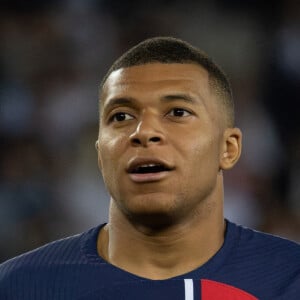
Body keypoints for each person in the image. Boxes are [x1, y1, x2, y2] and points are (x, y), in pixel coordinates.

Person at [0, 37, 299, 299]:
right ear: (100, 154)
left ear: (228, 148)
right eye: (121, 116)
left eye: (177, 112)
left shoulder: (291, 279)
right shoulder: (19, 287)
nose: (144, 131)